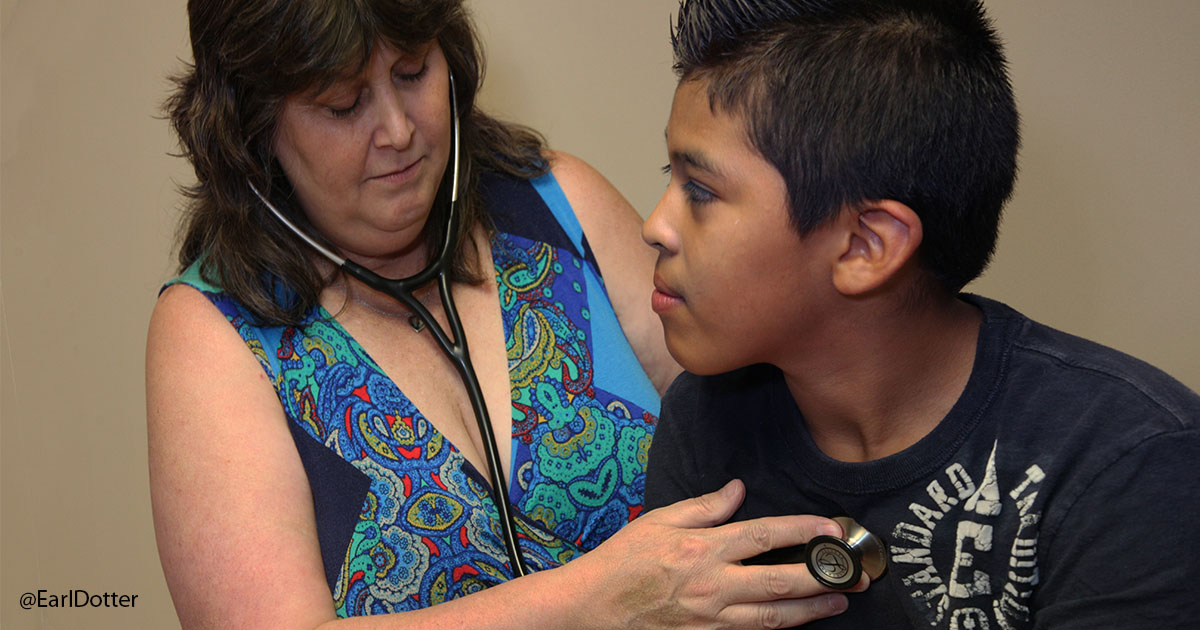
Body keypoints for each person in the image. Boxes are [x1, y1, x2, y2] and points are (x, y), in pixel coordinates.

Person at [147, 0, 857, 627]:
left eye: (412, 72)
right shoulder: (213, 334)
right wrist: (590, 602)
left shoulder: (559, 202)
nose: (398, 130)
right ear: (253, 125)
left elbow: (777, 424)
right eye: (342, 104)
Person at [642, 0, 1200, 628]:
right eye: (672, 176)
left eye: (700, 191)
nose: (654, 227)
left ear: (865, 246)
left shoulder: (1133, 458)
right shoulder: (706, 416)